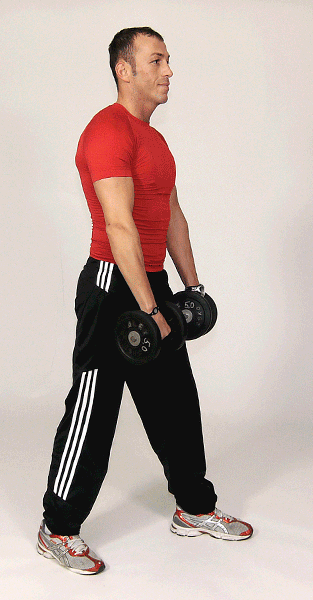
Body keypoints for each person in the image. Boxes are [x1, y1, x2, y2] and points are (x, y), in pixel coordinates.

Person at [37, 27, 253, 575]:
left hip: (149, 279)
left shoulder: (155, 141)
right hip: (112, 282)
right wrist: (152, 311)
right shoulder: (107, 131)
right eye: (156, 60)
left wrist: (192, 288)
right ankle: (58, 527)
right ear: (124, 69)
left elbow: (172, 216)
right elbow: (119, 227)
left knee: (176, 399)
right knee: (94, 408)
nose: (169, 71)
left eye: (168, 60)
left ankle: (194, 506)